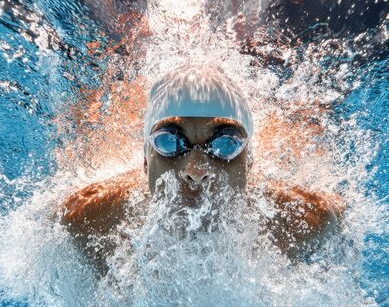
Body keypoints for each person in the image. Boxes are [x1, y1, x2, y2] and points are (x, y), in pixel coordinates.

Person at [62, 64, 342, 273]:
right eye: (169, 142)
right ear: (146, 159)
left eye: (225, 145)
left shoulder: (302, 221)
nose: (196, 170)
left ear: (250, 162)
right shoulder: (89, 220)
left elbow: (338, 214)